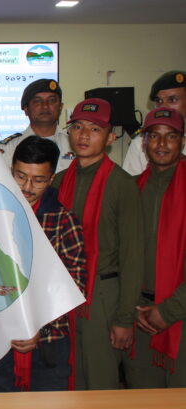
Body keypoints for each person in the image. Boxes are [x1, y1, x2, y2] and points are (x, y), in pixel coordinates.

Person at [52, 98, 144, 390]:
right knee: (67, 381)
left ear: (110, 137)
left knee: (100, 384)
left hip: (103, 297)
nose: (83, 135)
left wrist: (125, 318)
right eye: (77, 127)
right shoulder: (58, 182)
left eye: (94, 129)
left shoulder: (122, 185)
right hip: (63, 295)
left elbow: (132, 257)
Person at [0, 136, 87, 392]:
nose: (28, 187)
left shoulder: (62, 220)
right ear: (11, 171)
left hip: (49, 341)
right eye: (20, 176)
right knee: (0, 406)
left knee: (48, 406)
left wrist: (38, 326)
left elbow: (74, 286)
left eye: (38, 180)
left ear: (51, 179)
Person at [128, 108, 186, 387]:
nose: (162, 144)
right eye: (154, 136)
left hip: (180, 315)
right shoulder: (132, 188)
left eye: (171, 136)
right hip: (139, 315)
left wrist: (169, 310)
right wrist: (131, 309)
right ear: (144, 142)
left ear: (182, 141)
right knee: (142, 400)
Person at [0, 79, 72, 172]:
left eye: (52, 100)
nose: (45, 106)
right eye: (37, 101)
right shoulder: (9, 147)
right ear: (26, 109)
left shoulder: (73, 144)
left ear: (60, 107)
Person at [122, 70, 186, 175]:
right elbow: (129, 183)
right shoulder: (141, 143)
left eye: (173, 100)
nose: (164, 107)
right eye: (159, 101)